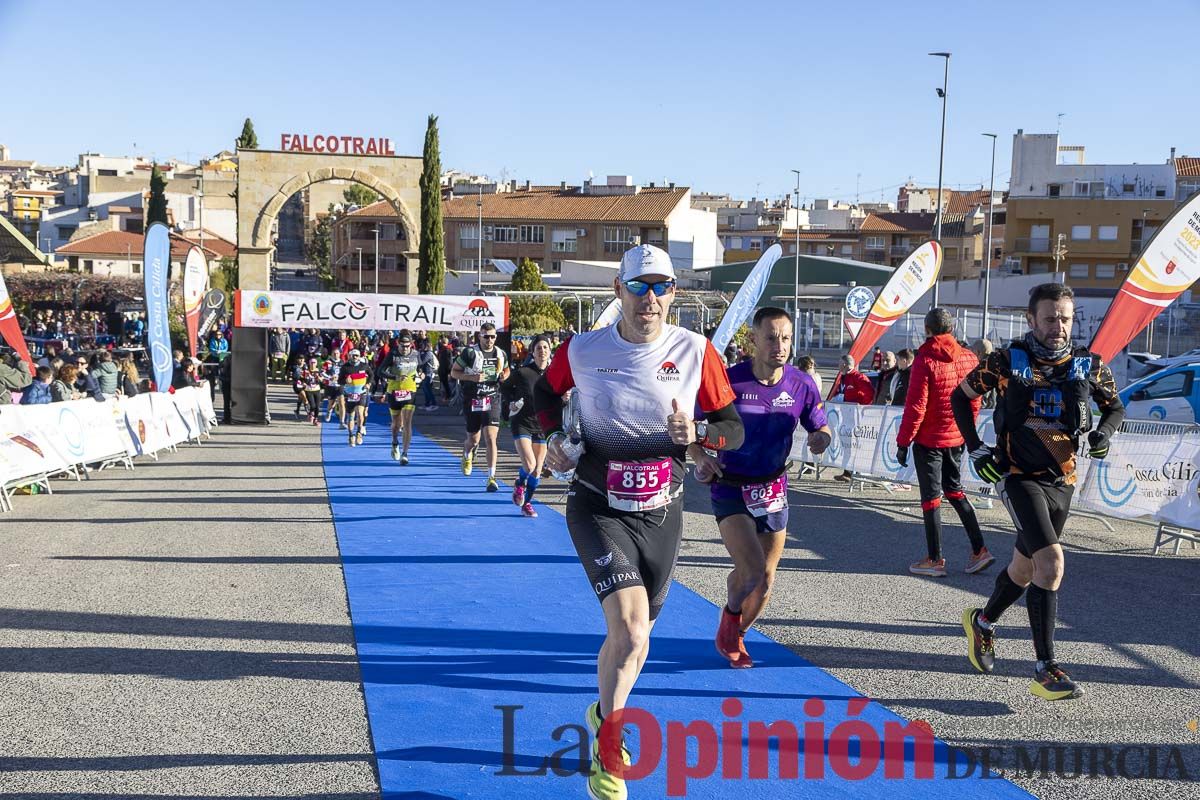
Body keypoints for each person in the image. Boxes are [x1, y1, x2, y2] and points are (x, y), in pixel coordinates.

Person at [533, 244, 743, 800]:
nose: (650, 299)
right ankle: (609, 750)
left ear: (674, 294)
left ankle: (604, 712)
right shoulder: (581, 350)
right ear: (618, 291)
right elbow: (541, 395)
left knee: (636, 638)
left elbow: (731, 429)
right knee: (627, 629)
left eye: (661, 287)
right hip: (597, 504)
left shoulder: (696, 351)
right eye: (639, 287)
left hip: (662, 511)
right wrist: (554, 439)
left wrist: (699, 438)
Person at [953, 283, 1124, 702]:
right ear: (1031, 320)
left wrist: (1102, 433)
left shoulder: (1089, 365)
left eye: (1065, 318)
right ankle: (1046, 667)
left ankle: (983, 621)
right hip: (1017, 476)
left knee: (1025, 570)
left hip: (1062, 482)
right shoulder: (1007, 360)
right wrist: (975, 447)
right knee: (1052, 564)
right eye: (1050, 318)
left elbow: (1115, 407)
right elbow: (962, 397)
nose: (1058, 327)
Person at [690, 307, 831, 668]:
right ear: (753, 340)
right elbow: (689, 427)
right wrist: (699, 458)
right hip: (731, 486)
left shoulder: (802, 383)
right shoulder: (728, 381)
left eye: (785, 338)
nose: (779, 346)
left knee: (765, 581)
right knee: (751, 570)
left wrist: (820, 438)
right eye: (770, 337)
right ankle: (730, 614)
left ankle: (736, 631)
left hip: (773, 488)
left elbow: (820, 424)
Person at [895, 308, 993, 578]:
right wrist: (964, 430)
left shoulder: (924, 359)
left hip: (929, 439)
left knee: (931, 499)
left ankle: (935, 559)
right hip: (955, 436)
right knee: (955, 492)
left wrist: (904, 442)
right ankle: (979, 549)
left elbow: (916, 406)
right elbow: (975, 400)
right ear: (952, 328)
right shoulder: (969, 356)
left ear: (927, 330)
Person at [451, 323, 510, 491]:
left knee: (491, 438)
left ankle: (491, 477)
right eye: (486, 336)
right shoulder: (470, 353)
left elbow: (507, 370)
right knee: (473, 439)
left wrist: (503, 376)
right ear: (480, 336)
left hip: (492, 398)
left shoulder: (500, 353)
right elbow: (454, 372)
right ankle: (467, 454)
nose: (489, 340)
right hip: (473, 399)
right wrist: (472, 377)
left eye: (492, 336)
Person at [501, 335, 552, 517]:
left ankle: (527, 504)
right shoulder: (523, 372)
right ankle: (519, 482)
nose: (542, 351)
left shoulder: (553, 374)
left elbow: (557, 398)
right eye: (538, 348)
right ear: (533, 351)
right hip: (522, 422)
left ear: (549, 350)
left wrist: (564, 399)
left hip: (542, 425)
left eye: (545, 347)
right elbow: (505, 388)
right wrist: (512, 402)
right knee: (529, 465)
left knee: (538, 469)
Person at [381, 333, 420, 463]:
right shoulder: (392, 355)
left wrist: (422, 374)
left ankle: (405, 453)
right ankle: (394, 442)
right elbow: (380, 371)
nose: (404, 349)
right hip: (394, 391)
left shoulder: (415, 354)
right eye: (402, 346)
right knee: (396, 424)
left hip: (410, 390)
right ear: (398, 344)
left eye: (407, 346)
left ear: (411, 344)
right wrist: (395, 377)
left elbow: (420, 368)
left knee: (407, 422)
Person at [833, 354, 873, 482]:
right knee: (846, 443)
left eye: (839, 363)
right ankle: (847, 471)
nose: (838, 366)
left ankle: (855, 472)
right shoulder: (843, 378)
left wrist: (861, 408)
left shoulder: (858, 377)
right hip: (846, 416)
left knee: (856, 444)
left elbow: (869, 394)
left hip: (856, 417)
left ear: (845, 364)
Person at [340, 350, 371, 446]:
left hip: (361, 393)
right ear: (349, 356)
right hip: (350, 394)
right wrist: (345, 380)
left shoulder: (364, 366)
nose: (355, 357)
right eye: (353, 356)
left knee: (360, 413)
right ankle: (351, 435)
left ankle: (359, 433)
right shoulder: (345, 367)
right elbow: (340, 380)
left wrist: (368, 383)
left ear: (359, 356)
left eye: (357, 355)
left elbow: (372, 375)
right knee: (351, 416)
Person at [294, 357, 323, 425]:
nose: (313, 364)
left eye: (314, 363)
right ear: (309, 364)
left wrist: (319, 378)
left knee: (317, 407)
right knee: (312, 406)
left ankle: (315, 419)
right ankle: (311, 413)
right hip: (309, 390)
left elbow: (323, 379)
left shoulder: (319, 371)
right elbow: (299, 380)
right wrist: (302, 383)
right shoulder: (306, 371)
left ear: (316, 364)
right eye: (311, 363)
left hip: (317, 390)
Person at [971, 338, 997, 409]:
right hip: (991, 413)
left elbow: (982, 401)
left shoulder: (983, 371)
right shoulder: (994, 367)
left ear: (978, 353)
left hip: (982, 413)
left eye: (973, 352)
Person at [417, 338, 438, 411]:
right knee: (425, 389)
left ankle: (434, 404)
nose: (421, 345)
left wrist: (418, 354)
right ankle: (427, 403)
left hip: (428, 373)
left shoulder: (428, 353)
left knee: (428, 390)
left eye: (422, 344)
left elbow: (421, 362)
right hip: (425, 373)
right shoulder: (424, 352)